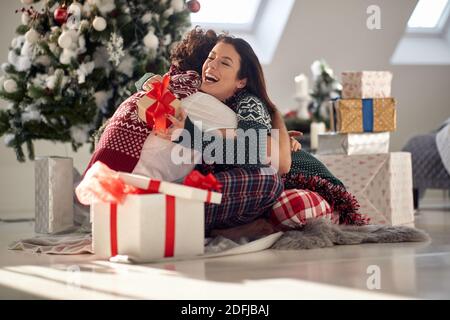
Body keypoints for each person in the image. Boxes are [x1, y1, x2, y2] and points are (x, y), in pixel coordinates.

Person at [80, 28, 284, 238]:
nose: (212, 64)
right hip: (137, 211)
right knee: (269, 181)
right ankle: (209, 231)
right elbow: (261, 155)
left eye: (224, 62)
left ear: (242, 80)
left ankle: (212, 230)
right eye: (211, 57)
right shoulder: (208, 105)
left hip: (104, 210)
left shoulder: (173, 87)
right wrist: (191, 134)